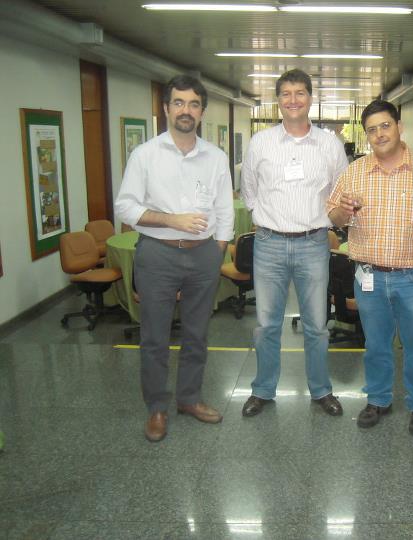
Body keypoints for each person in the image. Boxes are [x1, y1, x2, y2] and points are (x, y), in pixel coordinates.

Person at [115, 74, 234, 442]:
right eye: (179, 103)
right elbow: (125, 206)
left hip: (203, 255)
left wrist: (216, 249)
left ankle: (190, 399)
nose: (186, 110)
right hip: (157, 254)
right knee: (155, 336)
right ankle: (156, 408)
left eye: (194, 104)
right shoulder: (145, 155)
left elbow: (224, 209)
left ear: (201, 112)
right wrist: (170, 220)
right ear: (166, 108)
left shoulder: (215, 157)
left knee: (198, 333)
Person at [240, 69, 348, 418]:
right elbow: (249, 192)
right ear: (278, 100)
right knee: (266, 325)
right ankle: (262, 389)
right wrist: (266, 218)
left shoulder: (329, 145)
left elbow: (340, 192)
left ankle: (321, 390)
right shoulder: (261, 143)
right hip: (269, 244)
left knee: (316, 325)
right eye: (286, 94)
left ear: (310, 99)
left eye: (300, 93)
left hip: (313, 244)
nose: (293, 100)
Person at [327, 100, 413, 435]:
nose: (379, 134)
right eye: (372, 130)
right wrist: (344, 212)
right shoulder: (355, 171)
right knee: (376, 345)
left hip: (412, 277)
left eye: (385, 126)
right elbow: (333, 216)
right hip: (369, 276)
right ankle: (378, 398)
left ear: (399, 127)